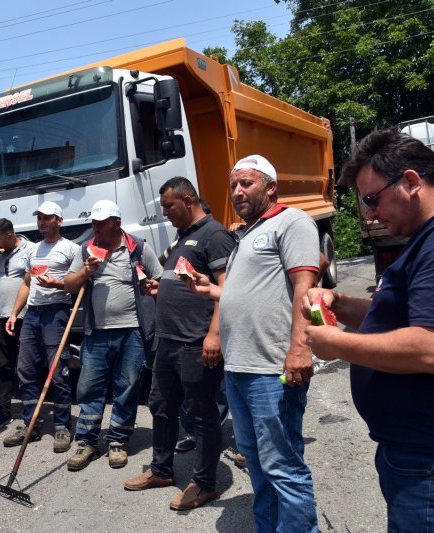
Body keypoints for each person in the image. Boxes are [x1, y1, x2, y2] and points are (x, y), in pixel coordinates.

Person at [302, 128, 434, 532]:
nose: (371, 214)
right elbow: (398, 316)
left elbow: (428, 347)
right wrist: (341, 305)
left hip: (423, 456)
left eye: (372, 200)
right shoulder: (420, 241)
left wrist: (337, 344)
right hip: (409, 450)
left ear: (410, 182)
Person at [185, 155, 320, 532]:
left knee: (283, 466)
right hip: (239, 369)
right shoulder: (244, 235)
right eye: (233, 185)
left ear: (270, 187)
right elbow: (247, 293)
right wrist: (209, 289)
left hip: (271, 369)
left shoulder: (292, 222)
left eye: (247, 183)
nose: (237, 191)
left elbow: (303, 290)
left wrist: (300, 348)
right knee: (258, 464)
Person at [123, 179, 236, 510]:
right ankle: (161, 469)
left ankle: (204, 483)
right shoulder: (184, 238)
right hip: (169, 341)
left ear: (188, 201)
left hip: (194, 340)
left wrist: (214, 335)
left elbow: (227, 289)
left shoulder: (215, 235)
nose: (165, 214)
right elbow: (186, 283)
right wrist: (159, 288)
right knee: (160, 405)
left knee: (202, 414)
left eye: (168, 207)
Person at [62, 200, 162, 471]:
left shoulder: (139, 247)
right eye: (93, 222)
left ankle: (117, 440)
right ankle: (87, 441)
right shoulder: (85, 250)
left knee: (127, 386)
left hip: (132, 331)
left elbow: (160, 280)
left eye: (100, 223)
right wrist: (86, 271)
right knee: (89, 387)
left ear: (116, 223)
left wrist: (152, 287)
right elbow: (68, 285)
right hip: (96, 333)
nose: (95, 227)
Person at [3, 201, 80, 453]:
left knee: (57, 372)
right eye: (39, 218)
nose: (41, 222)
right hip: (32, 314)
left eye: (47, 218)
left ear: (59, 220)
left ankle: (61, 425)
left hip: (56, 313)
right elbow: (27, 283)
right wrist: (15, 313)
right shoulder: (34, 250)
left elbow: (77, 285)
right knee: (25, 370)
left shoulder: (71, 249)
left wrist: (56, 284)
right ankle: (30, 423)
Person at [0, 218, 35, 431]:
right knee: (4, 365)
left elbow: (31, 281)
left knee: (28, 367)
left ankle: (32, 413)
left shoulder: (30, 249)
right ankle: (3, 411)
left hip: (27, 316)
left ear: (10, 235)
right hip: (3, 316)